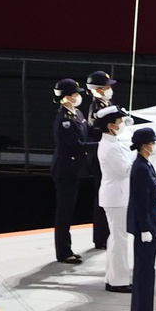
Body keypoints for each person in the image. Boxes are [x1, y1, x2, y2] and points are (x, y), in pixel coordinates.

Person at [50, 78, 92, 264]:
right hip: (65, 168)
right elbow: (77, 145)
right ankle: (63, 251)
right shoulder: (64, 120)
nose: (78, 97)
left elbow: (88, 132)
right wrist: (103, 145)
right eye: (75, 94)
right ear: (66, 97)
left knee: (69, 207)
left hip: (74, 168)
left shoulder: (77, 113)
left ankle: (66, 248)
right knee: (64, 210)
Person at [96, 105, 135, 293]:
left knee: (116, 239)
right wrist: (142, 156)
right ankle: (118, 281)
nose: (122, 124)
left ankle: (113, 278)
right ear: (111, 126)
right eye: (120, 122)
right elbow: (125, 170)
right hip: (116, 198)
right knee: (119, 240)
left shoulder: (114, 142)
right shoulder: (110, 147)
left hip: (117, 196)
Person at [127, 127, 156, 311]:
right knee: (145, 268)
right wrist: (144, 228)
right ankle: (143, 309)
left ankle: (141, 307)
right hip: (146, 225)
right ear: (144, 145)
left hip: (151, 223)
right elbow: (140, 202)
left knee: (147, 267)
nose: (154, 146)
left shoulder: (145, 164)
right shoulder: (140, 167)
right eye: (152, 143)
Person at [85, 70, 116, 249]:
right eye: (106, 87)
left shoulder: (107, 103)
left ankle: (107, 234)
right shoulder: (96, 109)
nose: (109, 89)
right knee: (101, 197)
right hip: (100, 157)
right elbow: (96, 130)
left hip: (109, 153)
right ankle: (101, 238)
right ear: (96, 90)